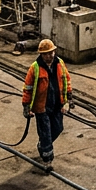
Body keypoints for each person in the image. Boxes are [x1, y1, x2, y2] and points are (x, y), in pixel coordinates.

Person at [21, 39, 72, 172]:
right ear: (41, 55)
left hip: (57, 104)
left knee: (58, 128)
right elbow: (28, 88)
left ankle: (43, 145)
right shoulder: (35, 68)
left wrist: (69, 98)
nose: (49, 56)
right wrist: (26, 106)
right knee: (46, 133)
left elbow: (66, 80)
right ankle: (47, 160)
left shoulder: (59, 63)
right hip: (41, 106)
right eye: (46, 54)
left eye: (51, 53)